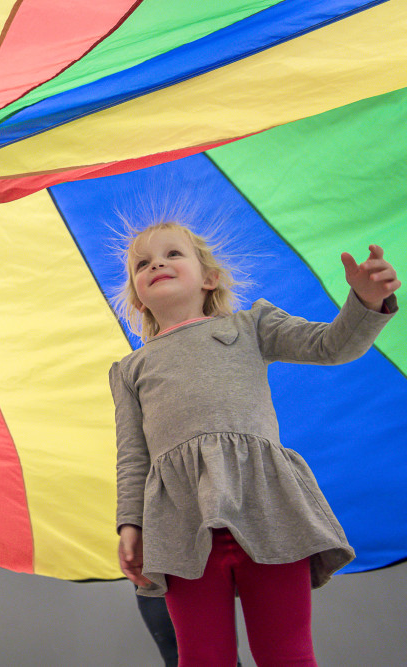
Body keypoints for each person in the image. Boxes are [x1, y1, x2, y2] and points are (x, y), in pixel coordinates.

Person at [109, 222, 399, 666]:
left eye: (172, 254)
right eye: (142, 264)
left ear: (209, 278)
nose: (157, 265)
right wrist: (131, 525)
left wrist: (365, 302)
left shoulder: (251, 326)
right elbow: (132, 457)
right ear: (136, 293)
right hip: (182, 525)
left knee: (287, 654)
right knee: (203, 658)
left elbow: (331, 346)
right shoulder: (129, 369)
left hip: (268, 508)